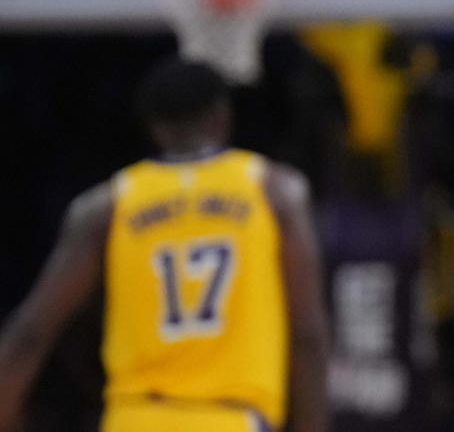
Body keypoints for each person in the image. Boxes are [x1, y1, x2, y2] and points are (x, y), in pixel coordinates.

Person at [0, 57, 330, 432]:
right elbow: (307, 336)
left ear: (153, 127)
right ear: (222, 117)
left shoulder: (106, 206)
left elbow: (31, 333)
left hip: (133, 419)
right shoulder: (275, 192)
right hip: (230, 417)